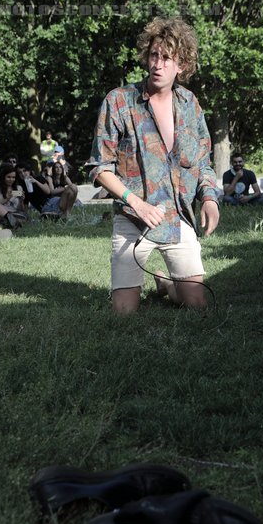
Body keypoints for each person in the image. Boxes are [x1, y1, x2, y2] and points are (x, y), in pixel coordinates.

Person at [89, 16, 220, 313]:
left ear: (182, 65)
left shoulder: (190, 105)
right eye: (153, 55)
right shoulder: (119, 101)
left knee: (196, 302)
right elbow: (100, 168)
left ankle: (167, 284)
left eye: (167, 58)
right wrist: (137, 204)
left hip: (177, 218)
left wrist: (210, 199)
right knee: (124, 312)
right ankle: (154, 283)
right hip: (133, 219)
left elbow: (202, 162)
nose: (158, 64)